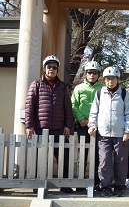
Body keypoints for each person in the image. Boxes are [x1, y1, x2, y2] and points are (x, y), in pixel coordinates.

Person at [25, 55, 74, 194]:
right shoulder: (36, 84)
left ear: (57, 70)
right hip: (41, 128)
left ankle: (64, 185)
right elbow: (29, 106)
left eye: (54, 67)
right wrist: (29, 126)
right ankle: (38, 185)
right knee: (40, 158)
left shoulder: (63, 87)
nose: (51, 69)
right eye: (49, 67)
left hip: (59, 129)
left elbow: (68, 109)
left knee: (63, 158)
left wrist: (68, 126)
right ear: (44, 68)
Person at [88, 66, 129, 197]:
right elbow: (94, 111)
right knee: (104, 161)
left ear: (117, 79)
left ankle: (120, 186)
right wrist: (92, 125)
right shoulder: (99, 93)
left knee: (121, 161)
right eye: (108, 79)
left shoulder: (124, 94)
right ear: (104, 80)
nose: (110, 81)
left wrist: (128, 130)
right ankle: (105, 186)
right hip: (103, 134)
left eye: (113, 79)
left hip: (120, 134)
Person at [71, 60, 103, 191]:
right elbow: (74, 105)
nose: (92, 75)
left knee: (98, 155)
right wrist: (81, 119)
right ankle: (80, 183)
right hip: (83, 125)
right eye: (89, 72)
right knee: (82, 154)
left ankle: (96, 182)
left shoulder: (103, 88)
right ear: (85, 73)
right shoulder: (79, 88)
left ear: (98, 74)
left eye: (95, 73)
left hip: (99, 126)